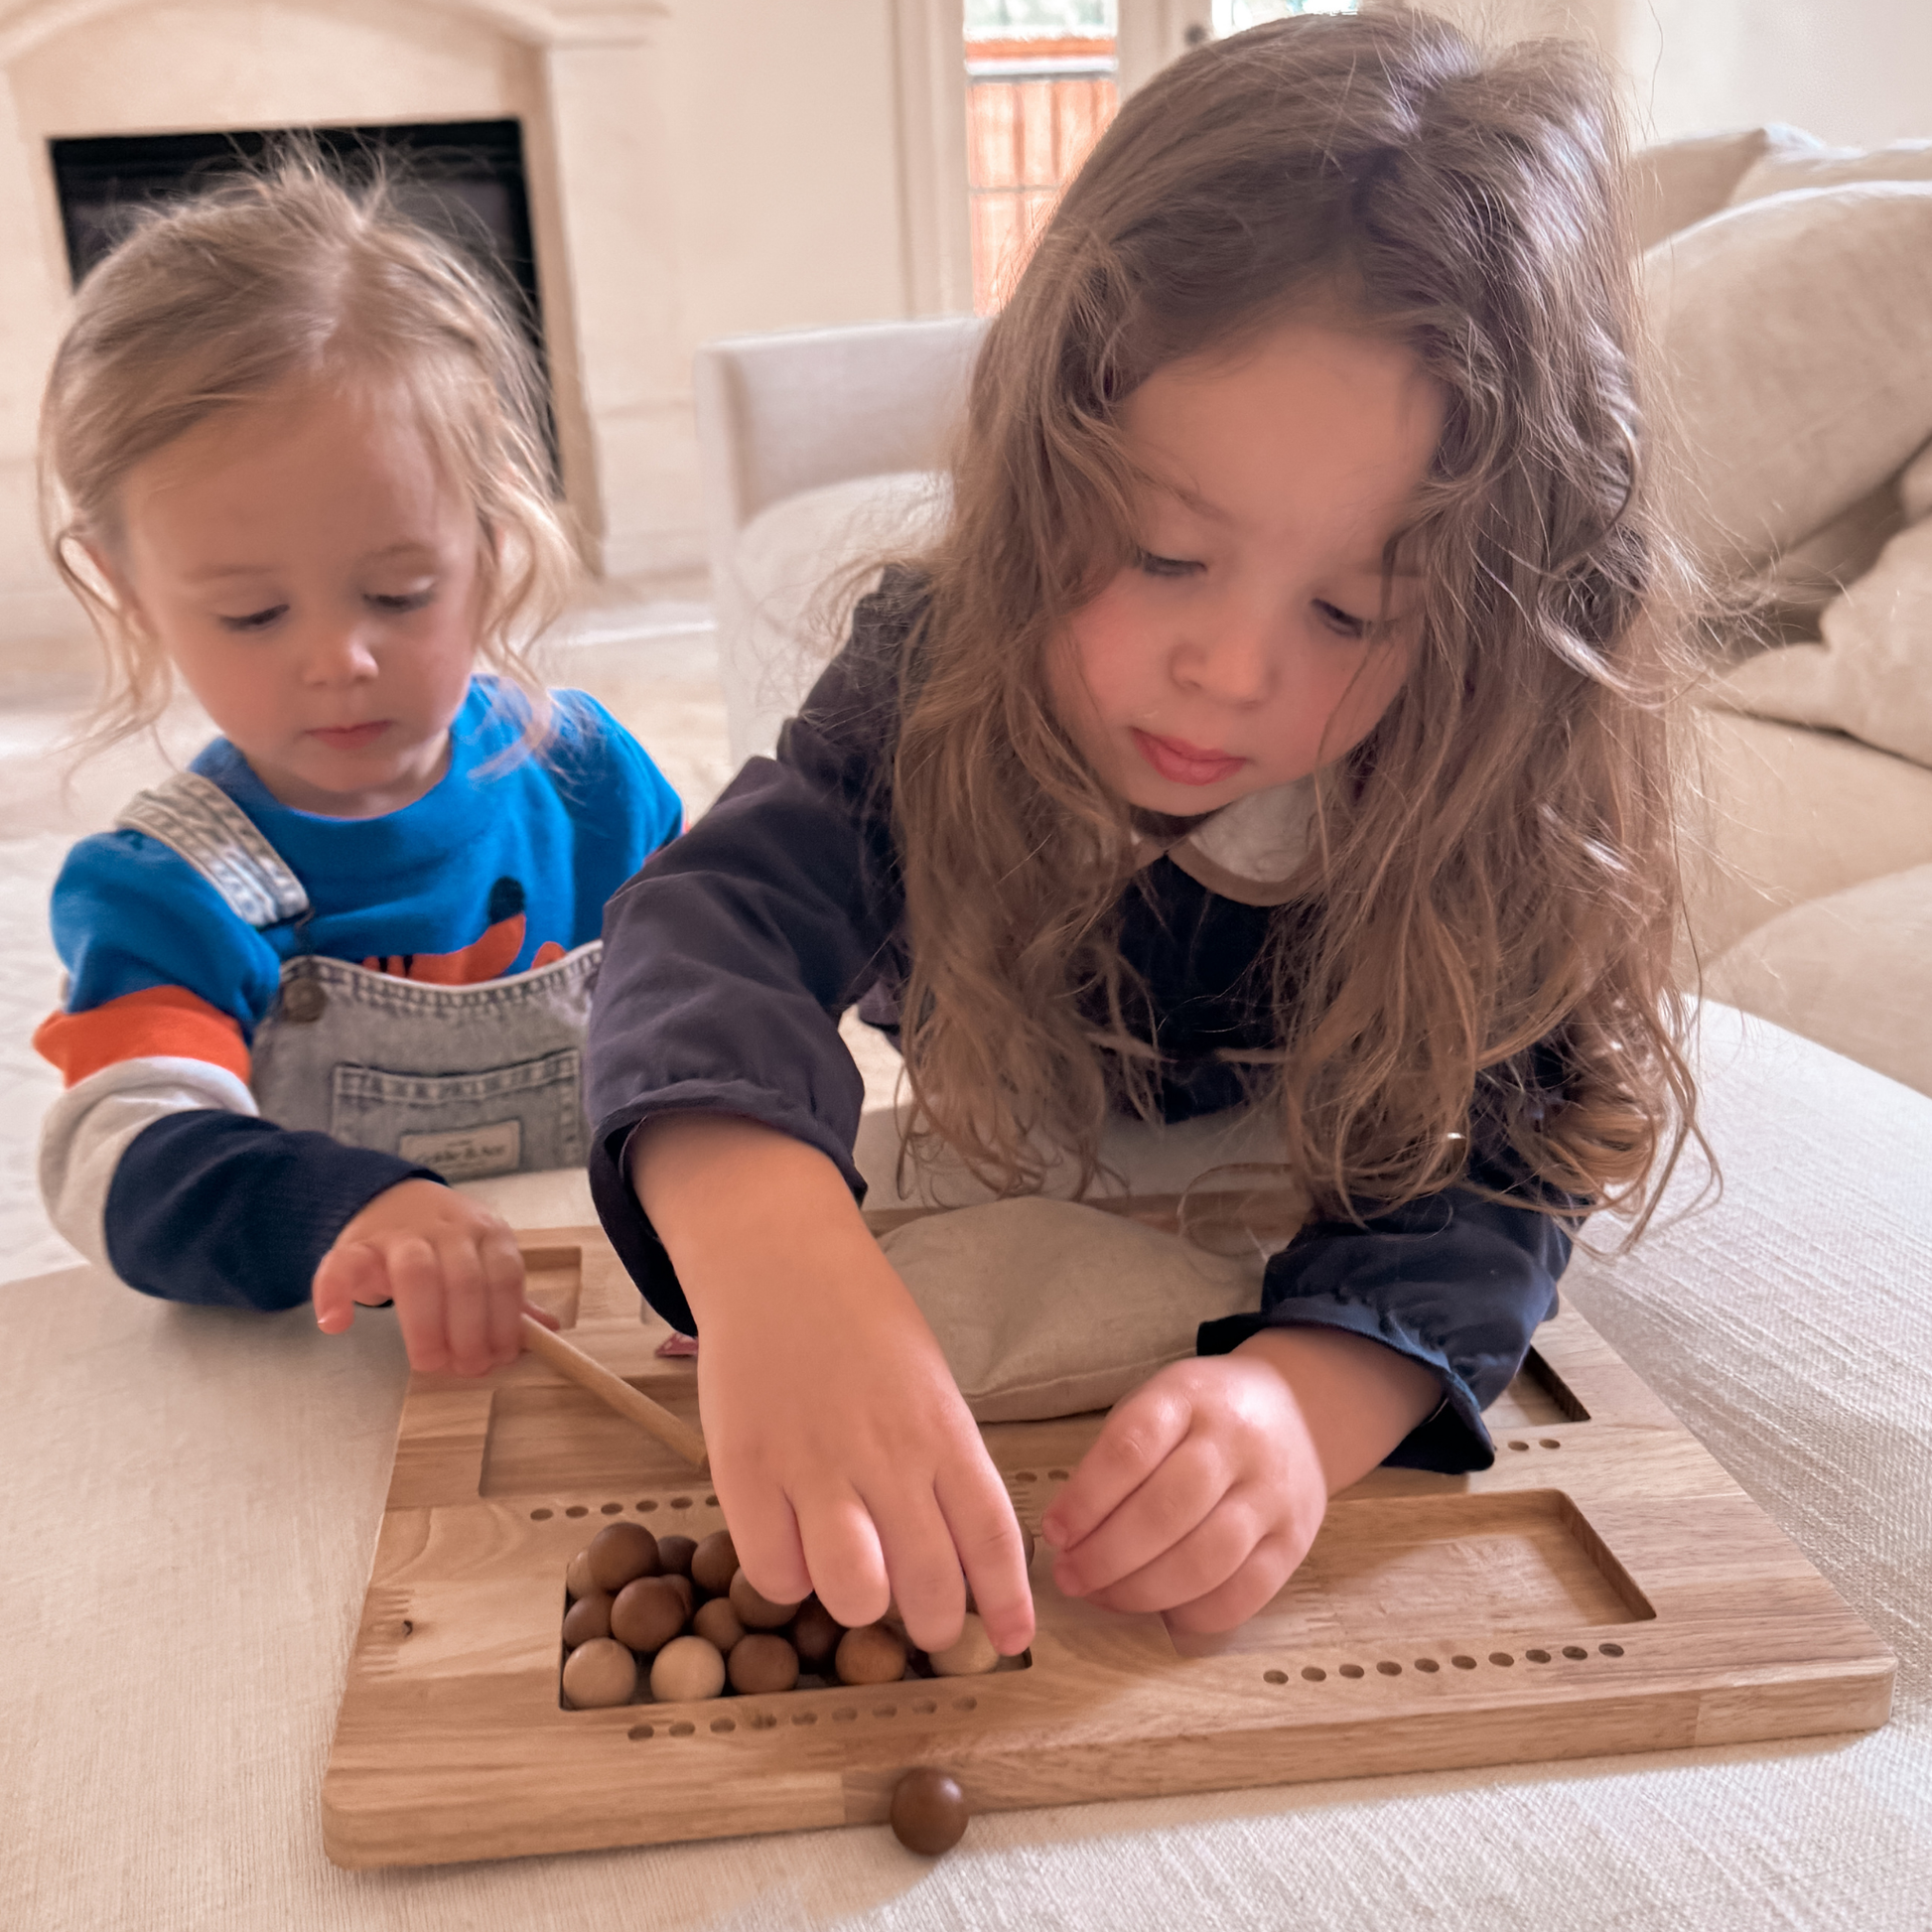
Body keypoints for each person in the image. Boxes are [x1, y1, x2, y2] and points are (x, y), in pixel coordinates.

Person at [586, 10, 1696, 1662]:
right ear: (1041, 477)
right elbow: (707, 928)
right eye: (1163, 554)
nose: (1233, 672)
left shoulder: (1466, 787)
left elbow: (1512, 1148)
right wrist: (766, 1242)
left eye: (1349, 609)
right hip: (1005, 1139)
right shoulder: (933, 679)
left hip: (1298, 1177)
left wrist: (1314, 1397)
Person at [33, 160, 681, 1376]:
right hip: (340, 1373)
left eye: (398, 592)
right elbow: (116, 1161)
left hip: (623, 1311)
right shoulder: (163, 891)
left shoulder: (592, 783)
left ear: (491, 551)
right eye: (249, 613)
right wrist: (344, 1208)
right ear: (128, 590)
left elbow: (718, 1010)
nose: (340, 659)